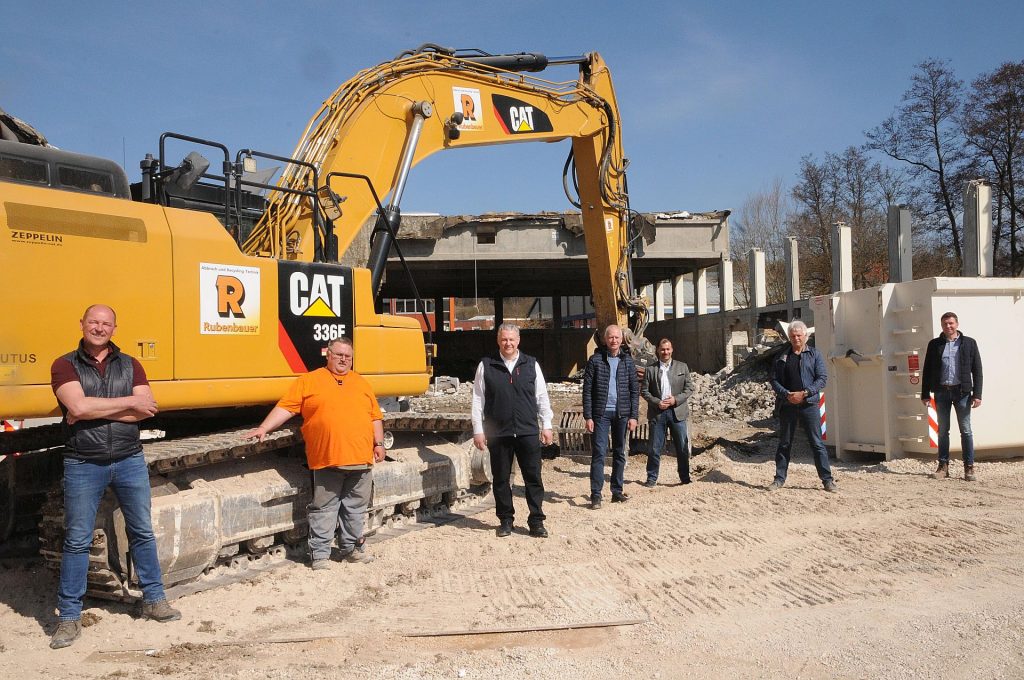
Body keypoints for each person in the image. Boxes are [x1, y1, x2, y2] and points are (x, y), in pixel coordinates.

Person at [49, 304, 181, 650]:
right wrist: (126, 407)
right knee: (77, 539)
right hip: (83, 463)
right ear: (82, 324)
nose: (99, 327)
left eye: (106, 323)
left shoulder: (130, 364)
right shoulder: (64, 364)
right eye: (93, 321)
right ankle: (69, 617)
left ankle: (154, 599)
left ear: (114, 328)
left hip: (129, 460)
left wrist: (94, 408)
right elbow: (77, 408)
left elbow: (148, 408)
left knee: (141, 531)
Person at [245, 337, 385, 569]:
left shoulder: (361, 383)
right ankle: (320, 555)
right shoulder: (310, 381)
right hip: (327, 459)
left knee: (355, 508)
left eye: (347, 356)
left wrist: (379, 443)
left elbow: (374, 416)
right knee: (325, 508)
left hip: (360, 460)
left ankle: (351, 549)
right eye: (338, 354)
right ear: (327, 355)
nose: (343, 359)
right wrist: (264, 427)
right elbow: (286, 407)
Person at [471, 323, 553, 538]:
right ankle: (506, 520)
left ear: (518, 341)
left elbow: (542, 397)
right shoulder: (486, 365)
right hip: (499, 433)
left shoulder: (531, 364)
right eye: (504, 339)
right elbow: (478, 400)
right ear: (498, 341)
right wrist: (478, 429)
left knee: (533, 478)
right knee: (500, 479)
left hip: (527, 431)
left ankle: (536, 521)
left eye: (512, 339)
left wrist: (546, 425)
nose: (508, 343)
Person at [768, 320, 836, 493]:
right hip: (787, 405)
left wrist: (804, 393)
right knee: (784, 444)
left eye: (799, 335)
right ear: (789, 337)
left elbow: (822, 378)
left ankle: (827, 481)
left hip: (810, 405)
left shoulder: (815, 355)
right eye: (793, 336)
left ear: (805, 336)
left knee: (817, 444)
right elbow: (774, 380)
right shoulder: (782, 357)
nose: (796, 338)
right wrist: (787, 395)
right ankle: (779, 479)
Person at [920, 312, 982, 481]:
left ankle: (969, 467)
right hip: (941, 392)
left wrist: (977, 394)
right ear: (942, 326)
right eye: (945, 324)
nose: (948, 326)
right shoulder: (935, 344)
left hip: (962, 393)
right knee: (942, 431)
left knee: (966, 430)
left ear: (957, 324)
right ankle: (943, 466)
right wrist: (925, 394)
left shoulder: (969, 343)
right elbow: (927, 370)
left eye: (951, 323)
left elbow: (977, 370)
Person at [583, 324, 639, 508]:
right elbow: (587, 390)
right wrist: (588, 416)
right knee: (599, 453)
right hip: (601, 414)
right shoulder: (595, 360)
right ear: (605, 340)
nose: (614, 341)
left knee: (619, 452)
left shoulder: (628, 362)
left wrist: (633, 416)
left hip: (622, 414)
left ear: (622, 339)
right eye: (610, 338)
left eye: (617, 337)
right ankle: (596, 494)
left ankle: (616, 491)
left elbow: (633, 391)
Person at [641, 338, 695, 487]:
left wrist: (675, 400)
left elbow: (689, 388)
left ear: (672, 350)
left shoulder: (682, 367)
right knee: (654, 448)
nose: (665, 352)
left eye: (668, 349)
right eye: (663, 349)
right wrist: (657, 402)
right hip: (658, 413)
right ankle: (651, 478)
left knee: (682, 447)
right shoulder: (650, 370)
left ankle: (684, 478)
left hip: (677, 412)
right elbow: (644, 391)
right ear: (658, 350)